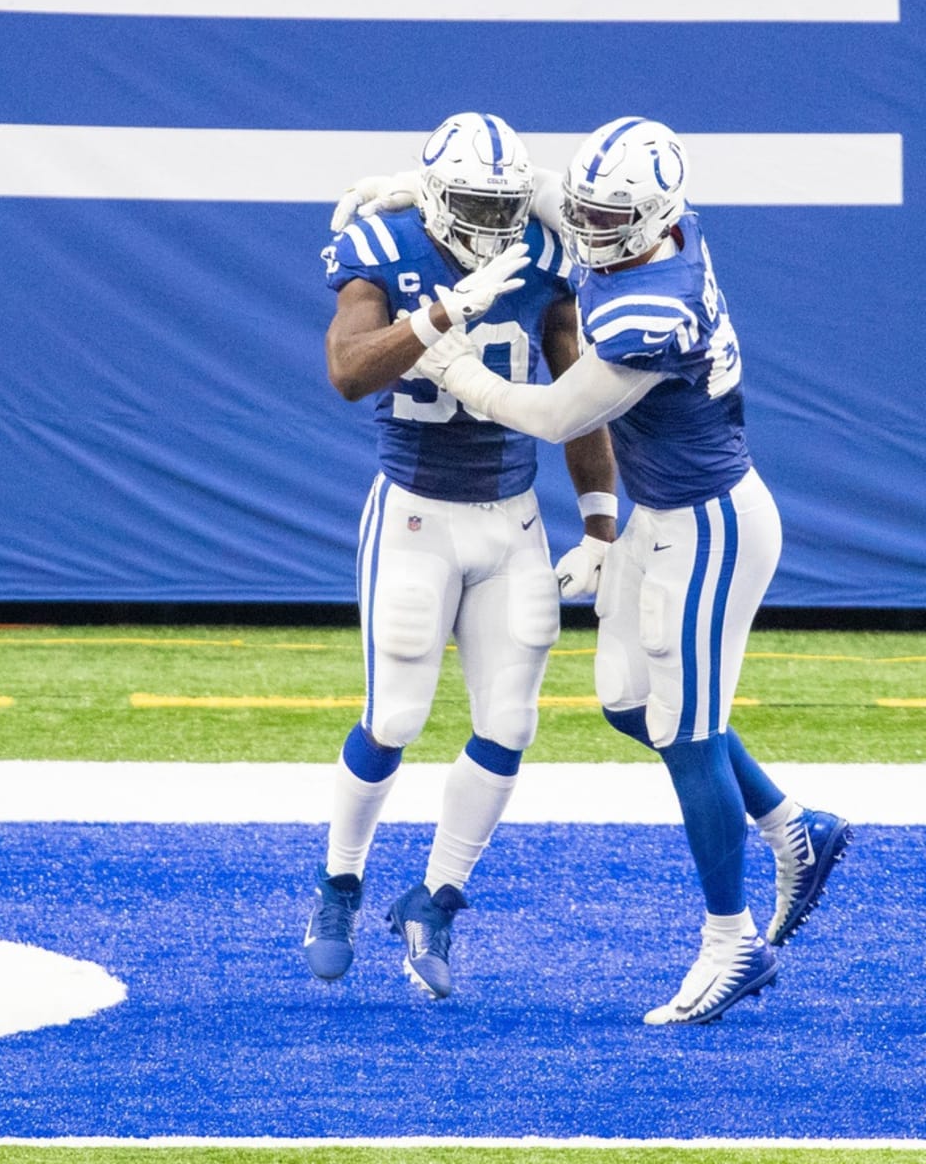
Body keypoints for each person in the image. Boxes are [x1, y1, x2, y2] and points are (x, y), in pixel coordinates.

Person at [409, 116, 851, 1023]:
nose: (592, 233)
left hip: (712, 527)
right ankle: (789, 825)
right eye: (590, 213)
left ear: (656, 221)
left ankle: (733, 946)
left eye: (613, 220)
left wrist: (451, 364)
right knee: (626, 701)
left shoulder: (656, 303)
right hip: (663, 513)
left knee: (688, 733)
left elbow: (550, 417)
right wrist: (395, 185)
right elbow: (542, 195)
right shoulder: (638, 222)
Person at [304, 112, 619, 999]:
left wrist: (599, 521)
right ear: (436, 198)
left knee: (510, 725)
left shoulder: (543, 255)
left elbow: (578, 389)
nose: (493, 221)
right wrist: (441, 312)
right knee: (396, 716)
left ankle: (435, 897)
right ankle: (338, 882)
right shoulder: (385, 247)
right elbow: (348, 370)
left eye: (506, 204)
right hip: (413, 513)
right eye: (476, 202)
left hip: (511, 517)